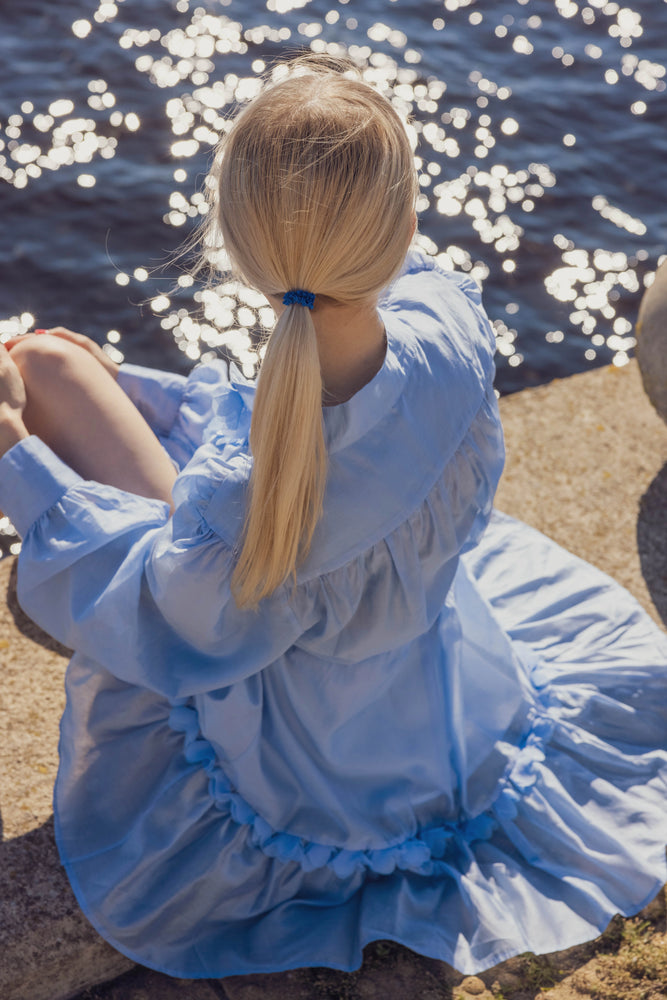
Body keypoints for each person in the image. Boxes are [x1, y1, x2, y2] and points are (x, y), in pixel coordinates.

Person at [0, 56, 665, 979]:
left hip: (305, 764)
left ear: (234, 245)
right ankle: (68, 378)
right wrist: (125, 390)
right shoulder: (453, 323)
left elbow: (156, 616)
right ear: (402, 222)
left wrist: (17, 457)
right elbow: (311, 416)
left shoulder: (241, 496)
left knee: (34, 382)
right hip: (448, 692)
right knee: (59, 368)